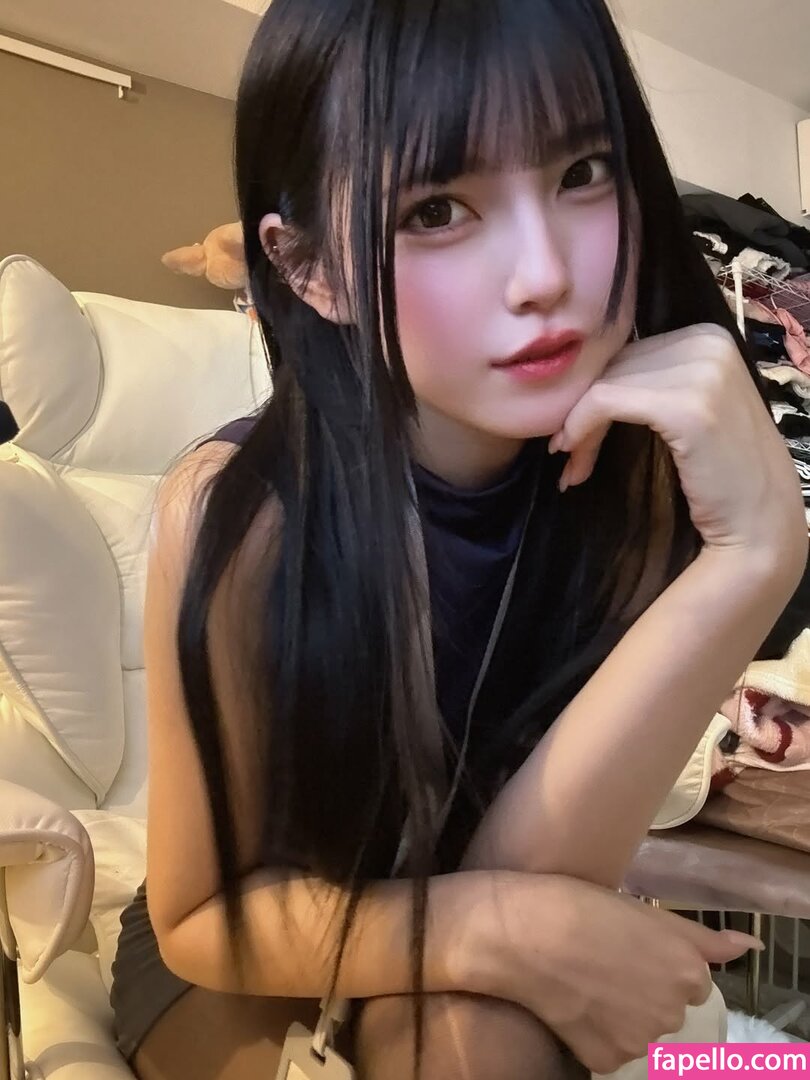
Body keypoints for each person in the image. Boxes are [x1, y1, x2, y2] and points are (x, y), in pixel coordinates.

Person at [109, 0, 808, 1077]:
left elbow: (531, 863)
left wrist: (757, 553)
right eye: (435, 209)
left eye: (583, 173)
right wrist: (503, 927)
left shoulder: (644, 478)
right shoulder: (242, 513)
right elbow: (205, 916)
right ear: (310, 270)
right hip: (256, 949)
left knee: (490, 1032)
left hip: (484, 907)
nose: (545, 275)